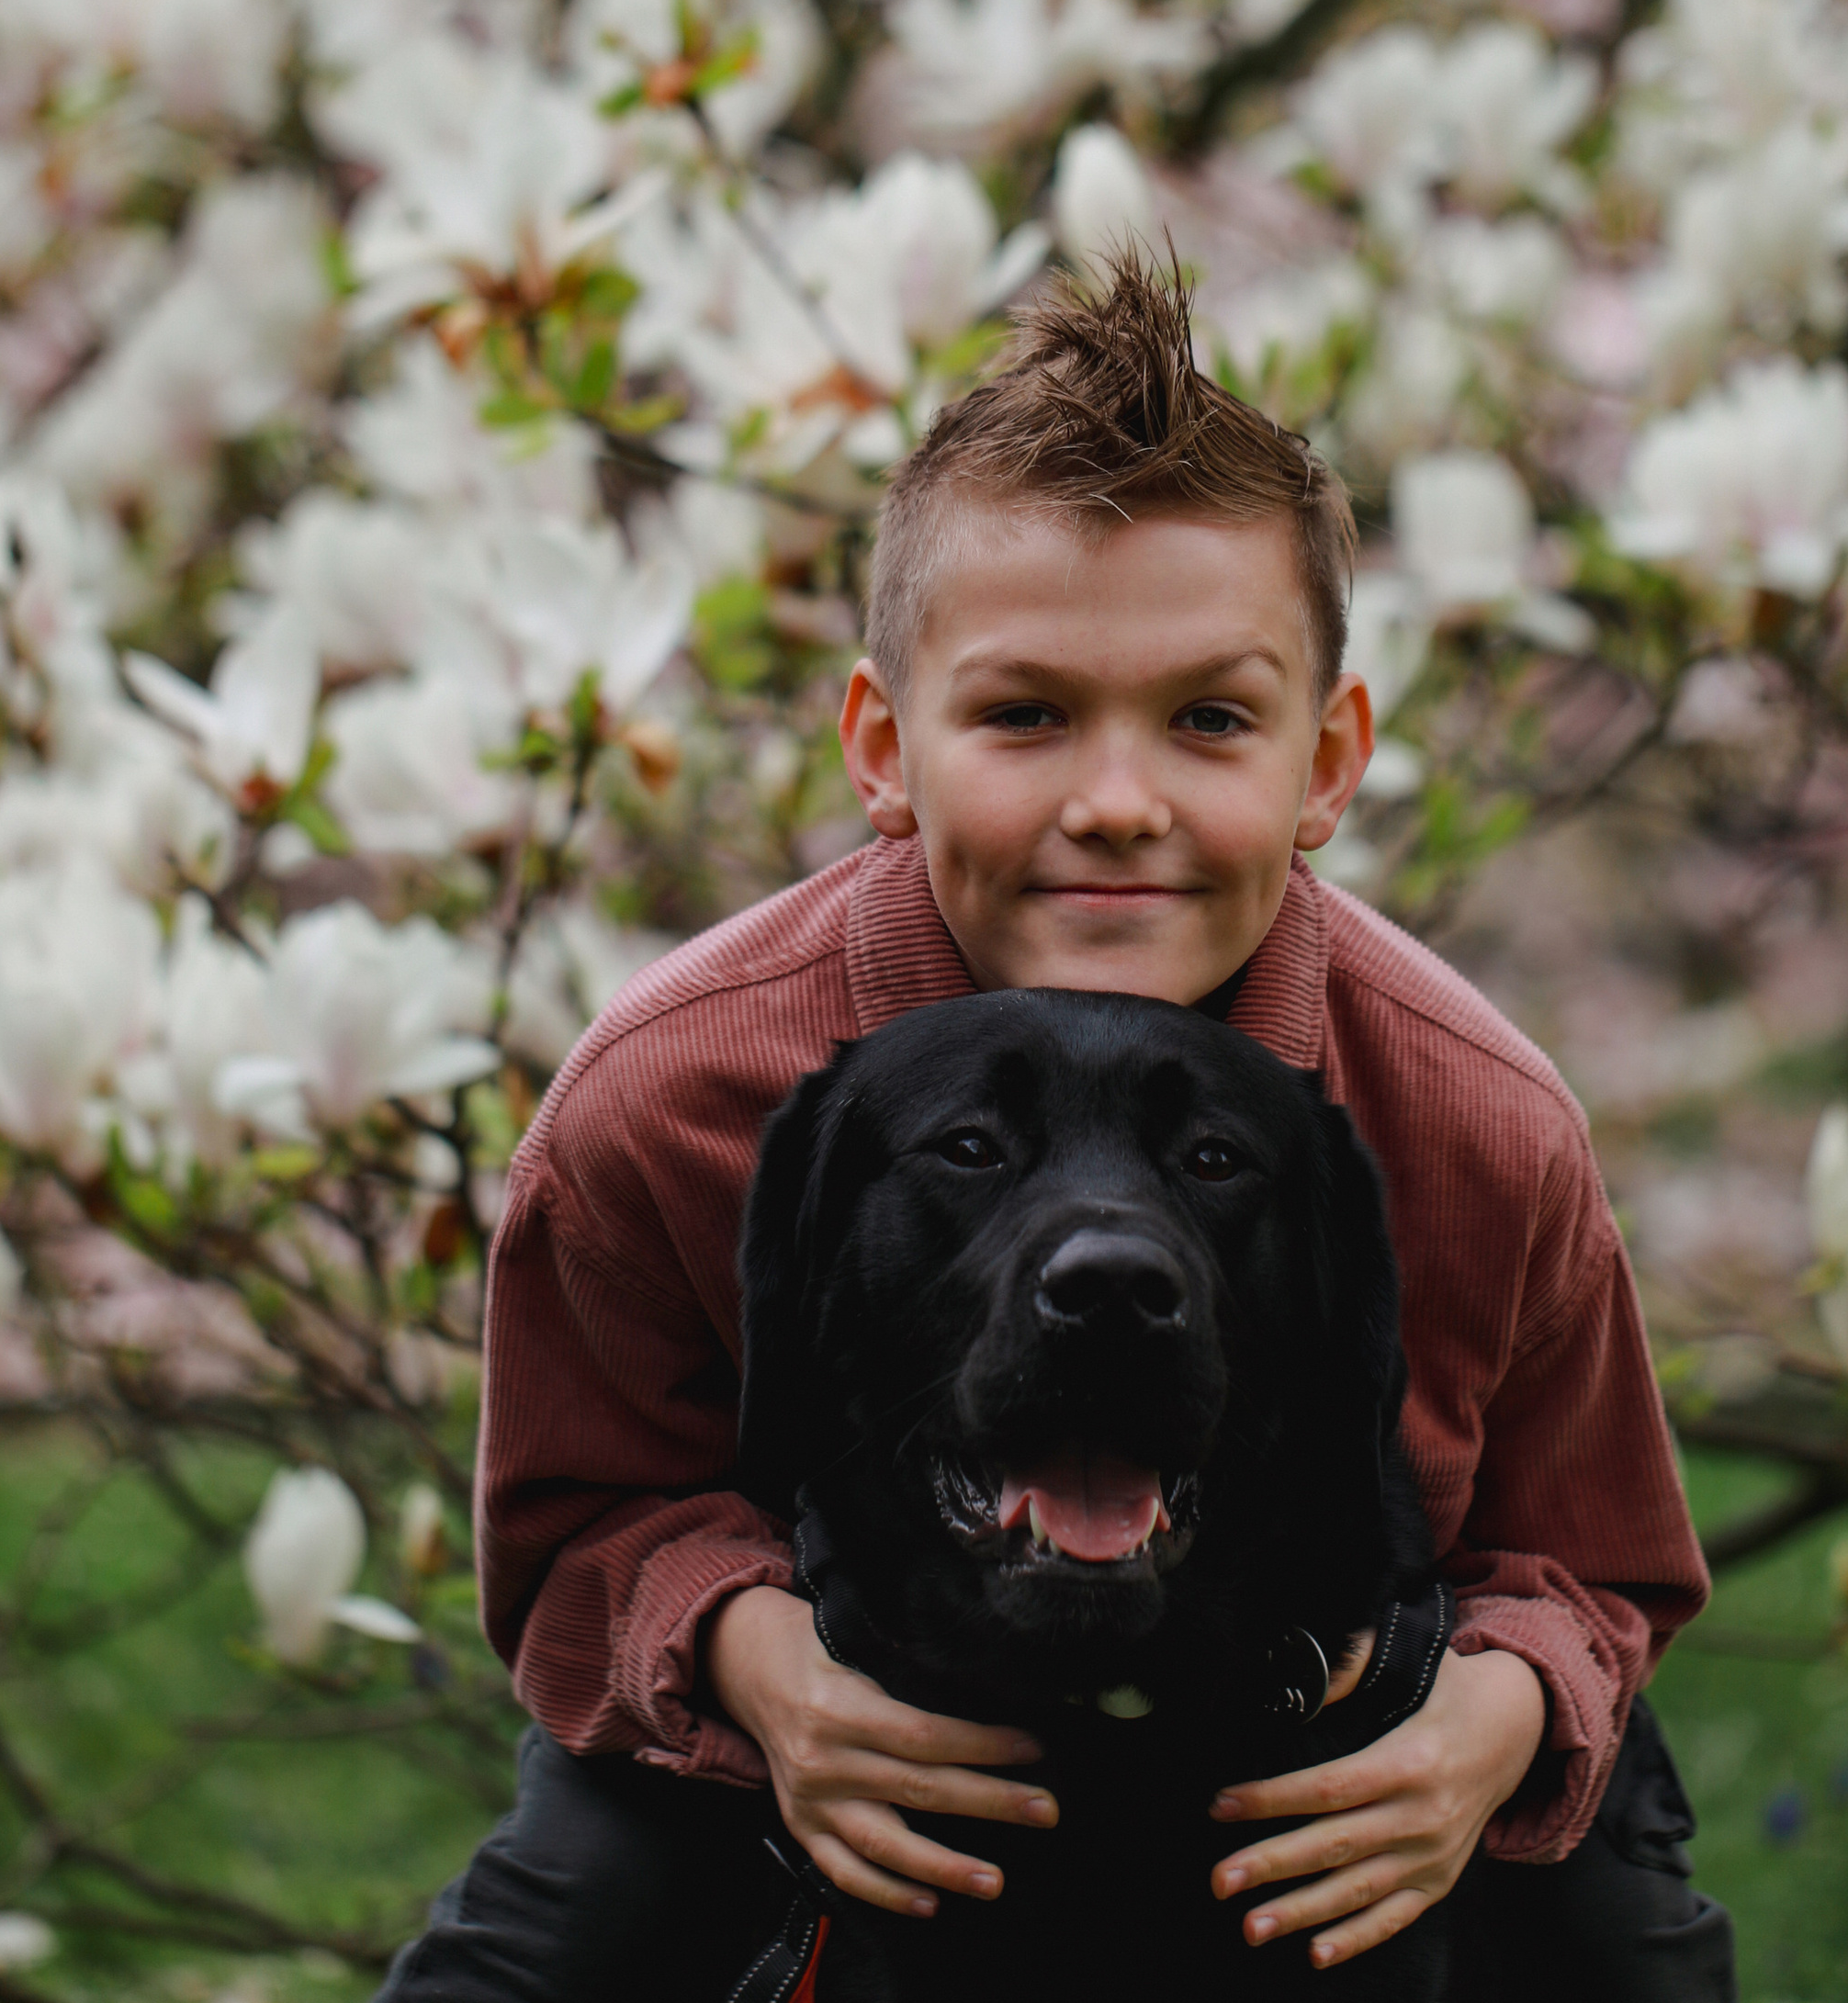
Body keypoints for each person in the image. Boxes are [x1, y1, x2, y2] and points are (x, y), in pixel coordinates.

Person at [380, 253, 1734, 1999]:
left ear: (1329, 763)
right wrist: (755, 1667)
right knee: (547, 1953)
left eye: (1209, 720)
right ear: (885, 745)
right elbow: (578, 1527)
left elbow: (1599, 1557)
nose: (1116, 803)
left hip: (1348, 1718)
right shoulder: (670, 1098)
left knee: (1626, 1955)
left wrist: (1490, 1720)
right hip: (834, 1698)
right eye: (1025, 716)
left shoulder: (1478, 1126)